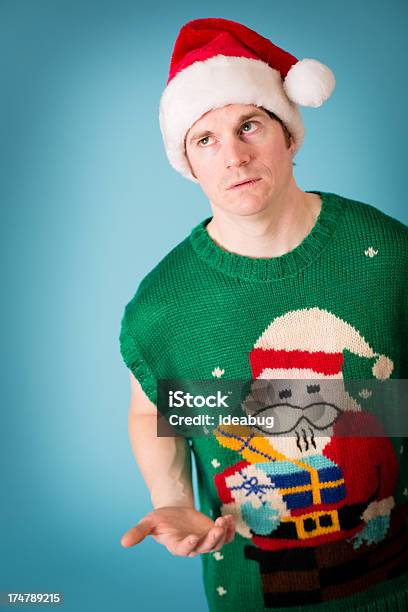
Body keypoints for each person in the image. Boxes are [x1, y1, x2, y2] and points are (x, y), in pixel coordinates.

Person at [118, 17, 408, 611]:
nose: (234, 157)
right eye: (206, 140)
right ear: (188, 162)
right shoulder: (163, 308)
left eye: (249, 125)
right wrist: (171, 495)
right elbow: (153, 410)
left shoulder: (388, 257)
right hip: (255, 593)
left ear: (290, 136)